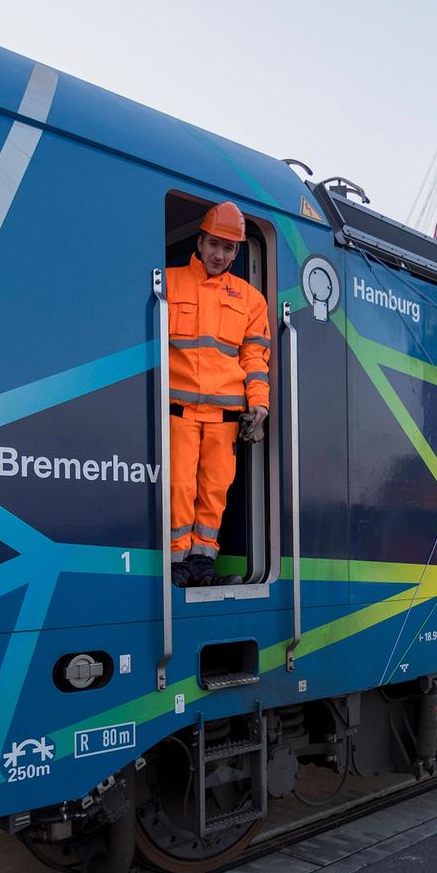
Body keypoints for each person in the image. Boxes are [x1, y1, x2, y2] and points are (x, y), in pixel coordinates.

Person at [167, 200, 270, 586]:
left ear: (237, 252)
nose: (219, 254)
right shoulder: (169, 281)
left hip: (226, 419)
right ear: (199, 241)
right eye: (213, 244)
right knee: (179, 487)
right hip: (179, 412)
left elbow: (256, 357)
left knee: (214, 492)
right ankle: (176, 564)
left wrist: (259, 404)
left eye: (228, 248)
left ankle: (201, 563)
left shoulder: (250, 299)